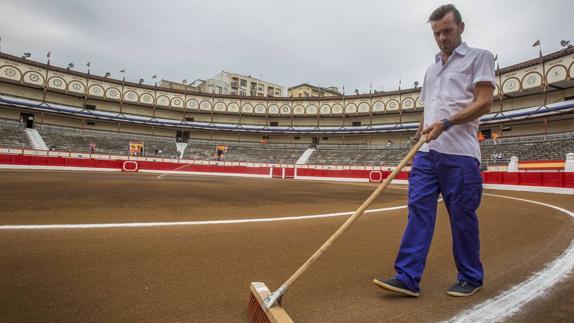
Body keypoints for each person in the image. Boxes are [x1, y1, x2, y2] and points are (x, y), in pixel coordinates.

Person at [373, 4, 495, 297]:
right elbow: (428, 111)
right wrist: (416, 140)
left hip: (461, 154)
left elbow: (484, 102)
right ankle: (408, 276)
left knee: (462, 216)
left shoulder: (480, 57)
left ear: (461, 28)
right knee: (418, 211)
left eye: (447, 31)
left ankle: (470, 276)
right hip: (427, 155)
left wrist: (448, 122)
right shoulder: (431, 70)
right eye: (436, 33)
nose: (442, 38)